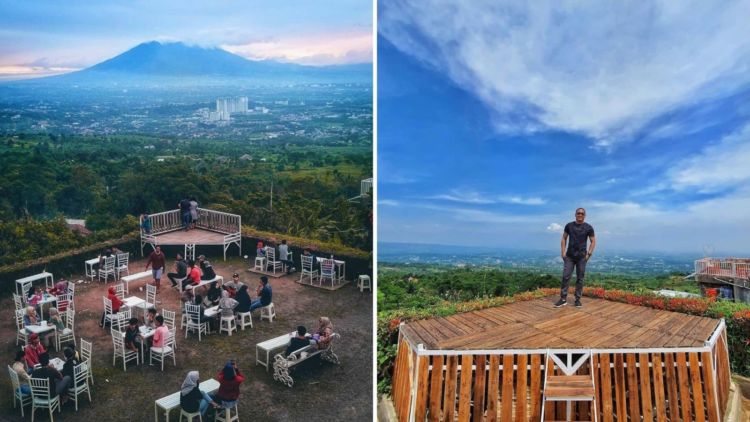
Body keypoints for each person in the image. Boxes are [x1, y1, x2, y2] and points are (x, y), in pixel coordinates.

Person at [555, 207, 596, 309]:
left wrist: (588, 254)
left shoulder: (588, 227)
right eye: (578, 213)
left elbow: (593, 241)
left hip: (582, 257)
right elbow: (564, 238)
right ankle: (563, 299)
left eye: (582, 213)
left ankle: (577, 300)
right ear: (575, 214)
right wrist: (563, 252)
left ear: (585, 215)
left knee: (580, 279)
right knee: (565, 276)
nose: (580, 215)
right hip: (569, 256)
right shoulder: (569, 226)